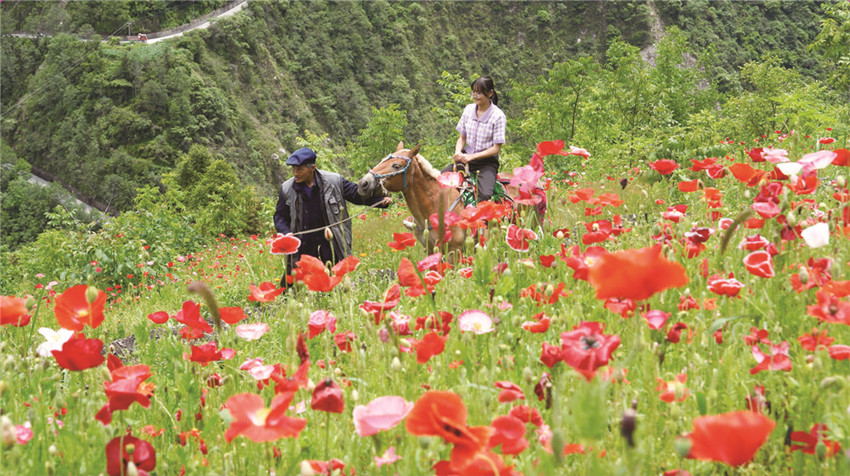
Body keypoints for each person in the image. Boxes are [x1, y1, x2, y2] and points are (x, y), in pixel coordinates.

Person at [274, 147, 392, 286]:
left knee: (333, 281)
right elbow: (280, 216)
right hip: (303, 242)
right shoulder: (287, 188)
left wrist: (379, 202)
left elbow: (355, 194)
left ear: (312, 168)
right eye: (293, 169)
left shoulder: (334, 181)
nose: (295, 173)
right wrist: (286, 234)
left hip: (330, 241)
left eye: (299, 169)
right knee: (293, 282)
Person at [442, 76, 506, 202]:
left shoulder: (498, 116)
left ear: (490, 93)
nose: (475, 95)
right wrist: (458, 152)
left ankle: (483, 221)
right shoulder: (468, 110)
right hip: (465, 158)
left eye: (479, 93)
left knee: (485, 195)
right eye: (474, 92)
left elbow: (496, 148)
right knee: (440, 179)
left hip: (487, 162)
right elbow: (462, 137)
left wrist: (472, 157)